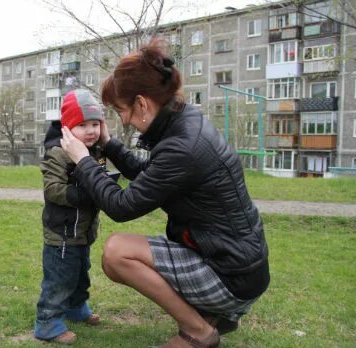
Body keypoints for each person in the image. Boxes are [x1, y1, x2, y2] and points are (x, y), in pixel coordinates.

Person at [59, 40, 270, 348]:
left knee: (117, 252)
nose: (124, 120)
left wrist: (83, 160)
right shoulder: (184, 123)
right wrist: (108, 144)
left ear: (142, 104)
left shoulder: (182, 146)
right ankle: (211, 316)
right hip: (239, 264)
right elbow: (149, 174)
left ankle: (199, 330)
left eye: (122, 110)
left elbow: (121, 205)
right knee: (121, 251)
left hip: (231, 274)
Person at [34, 89, 106, 344]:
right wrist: (86, 194)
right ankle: (47, 321)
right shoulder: (59, 153)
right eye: (82, 125)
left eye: (95, 124)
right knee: (59, 278)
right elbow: (52, 190)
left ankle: (76, 308)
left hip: (83, 231)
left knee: (80, 273)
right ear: (67, 128)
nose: (91, 131)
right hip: (62, 233)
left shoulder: (95, 151)